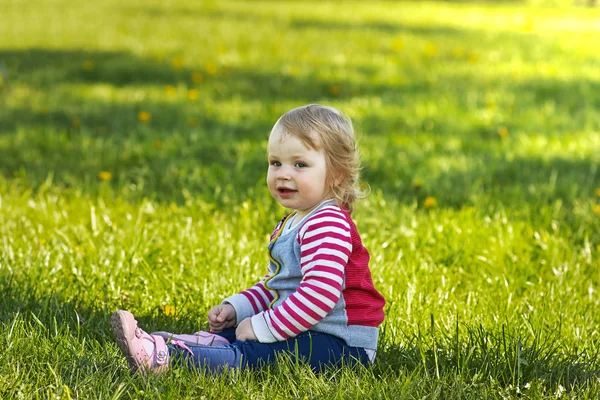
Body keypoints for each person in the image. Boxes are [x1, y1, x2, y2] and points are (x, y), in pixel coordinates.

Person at [111, 104, 386, 373]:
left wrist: (261, 326)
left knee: (254, 354)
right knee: (240, 331)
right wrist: (239, 308)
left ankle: (167, 358)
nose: (284, 173)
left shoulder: (328, 223)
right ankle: (207, 343)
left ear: (337, 175)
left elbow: (319, 296)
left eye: (300, 164)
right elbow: (276, 287)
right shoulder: (294, 222)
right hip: (308, 329)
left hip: (343, 347)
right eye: (275, 162)